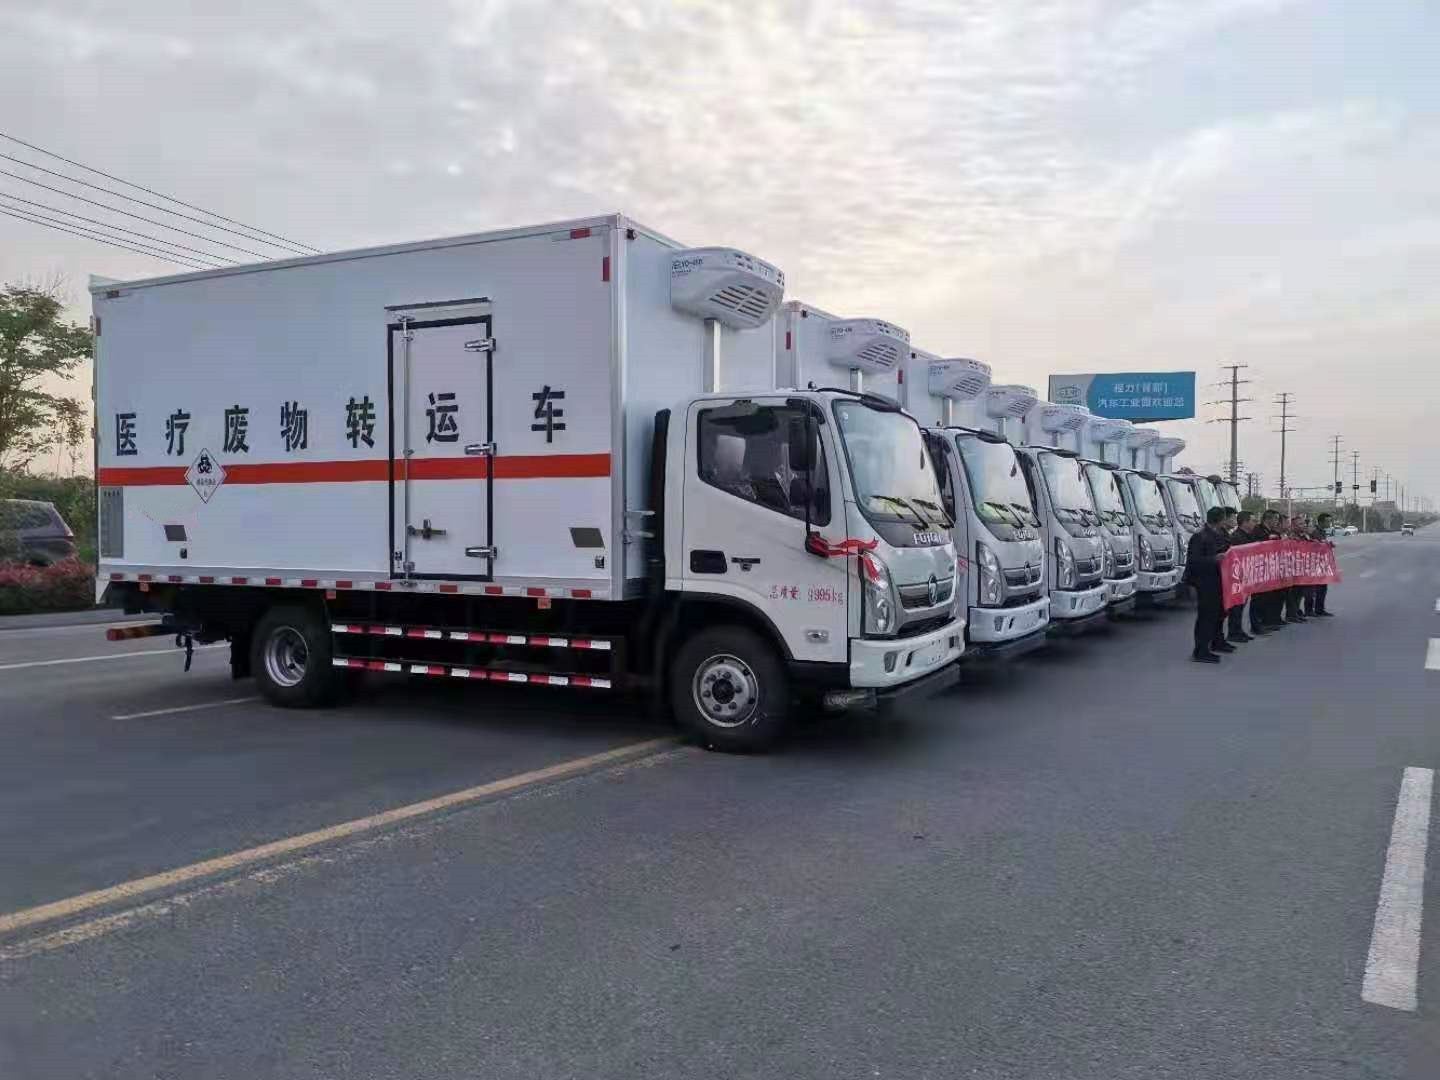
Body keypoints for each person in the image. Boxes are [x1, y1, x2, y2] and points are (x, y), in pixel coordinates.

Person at [1186, 505, 1236, 663]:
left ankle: (1217, 641)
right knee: (1207, 616)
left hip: (1220, 580)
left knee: (1219, 613)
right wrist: (1214, 559)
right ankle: (1201, 650)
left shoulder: (1220, 534)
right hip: (1206, 583)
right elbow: (1194, 561)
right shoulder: (1200, 537)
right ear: (1220, 520)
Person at [1226, 511, 1262, 639]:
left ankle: (1238, 630)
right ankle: (1233, 632)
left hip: (1247, 574)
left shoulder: (1250, 536)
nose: (1255, 523)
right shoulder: (1236, 537)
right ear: (1245, 522)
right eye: (1253, 521)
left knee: (1242, 603)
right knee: (1236, 605)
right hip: (1237, 576)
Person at [1306, 512, 1336, 617]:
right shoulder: (1314, 531)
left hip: (1321, 563)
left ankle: (1320, 609)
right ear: (1321, 522)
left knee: (1322, 587)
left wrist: (1328, 545)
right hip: (1313, 563)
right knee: (1312, 589)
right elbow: (1312, 545)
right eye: (1328, 521)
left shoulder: (1322, 531)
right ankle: (1309, 610)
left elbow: (1322, 543)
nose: (1329, 523)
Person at [1282, 516, 1309, 623]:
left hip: (1302, 567)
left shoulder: (1304, 536)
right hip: (1292, 568)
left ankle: (1296, 612)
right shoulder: (1289, 537)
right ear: (1293, 526)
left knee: (1300, 592)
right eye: (1300, 524)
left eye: (1303, 523)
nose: (1303, 526)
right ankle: (1291, 614)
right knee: (1293, 593)